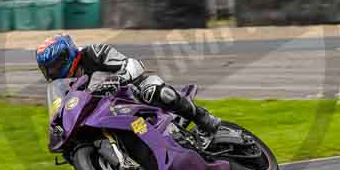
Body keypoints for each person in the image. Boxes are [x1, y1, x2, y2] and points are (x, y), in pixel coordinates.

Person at [36, 34, 221, 140]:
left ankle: (202, 118)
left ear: (67, 56)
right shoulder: (59, 86)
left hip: (129, 94)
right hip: (101, 114)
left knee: (159, 93)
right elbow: (60, 108)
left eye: (54, 65)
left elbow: (133, 65)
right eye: (47, 69)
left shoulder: (94, 53)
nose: (52, 71)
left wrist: (117, 78)